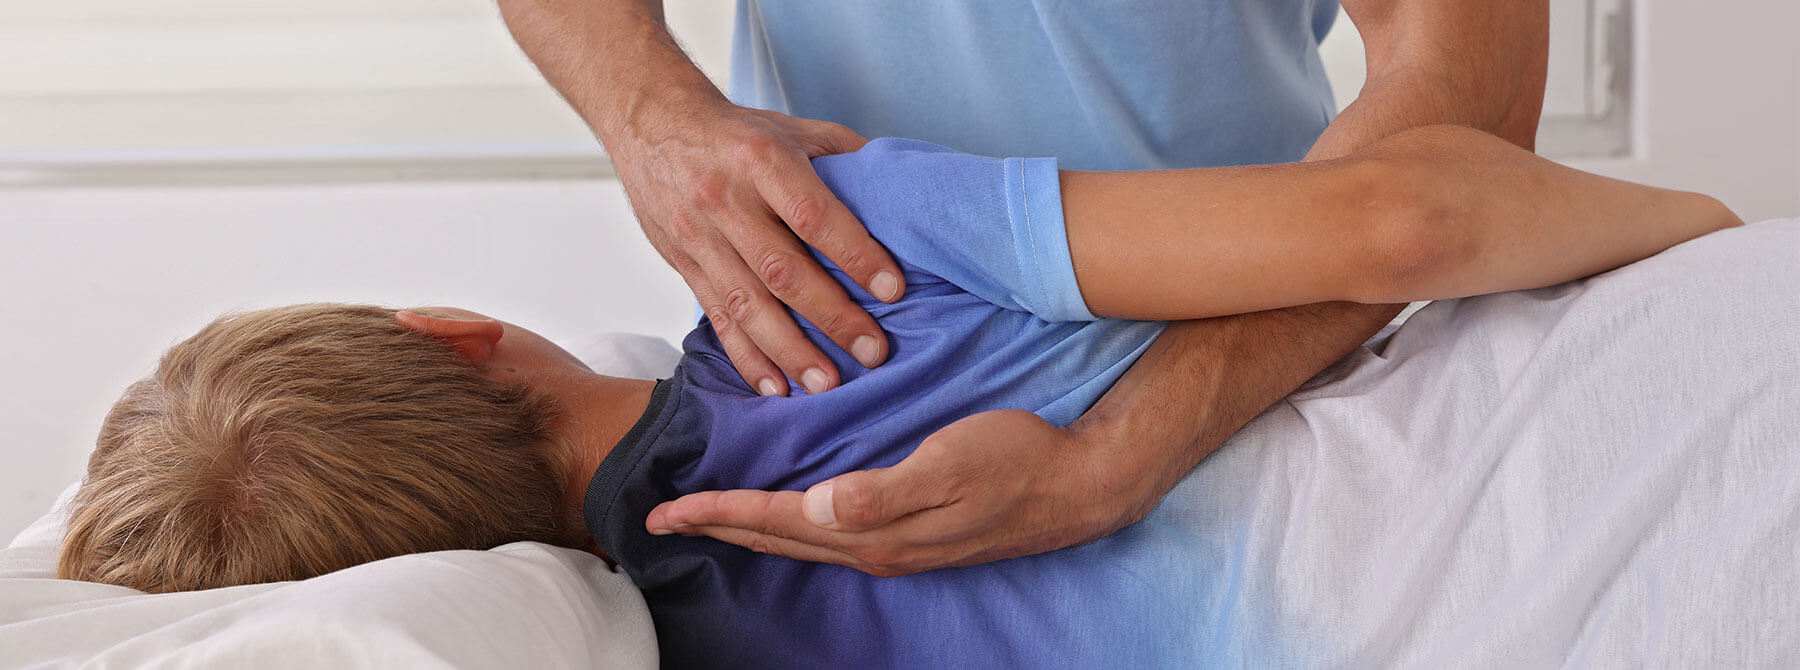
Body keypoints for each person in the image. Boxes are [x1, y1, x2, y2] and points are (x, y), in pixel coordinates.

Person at [60, 126, 1735, 664]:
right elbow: (1407, 218)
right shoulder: (822, 251)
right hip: (1691, 408)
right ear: (452, 337)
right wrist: (1707, 236)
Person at [498, 0, 1558, 570]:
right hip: (861, 396)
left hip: (1254, 370)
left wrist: (1118, 452)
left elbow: (1470, 97)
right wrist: (654, 122)